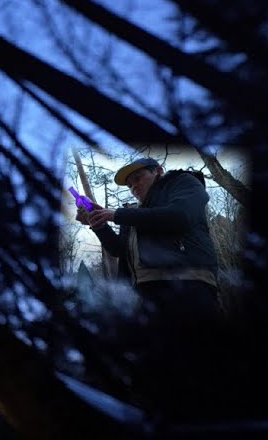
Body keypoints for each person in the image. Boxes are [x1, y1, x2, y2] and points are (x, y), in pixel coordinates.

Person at [77, 156, 221, 417]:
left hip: (187, 289)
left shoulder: (183, 184)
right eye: (129, 184)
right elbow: (119, 250)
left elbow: (179, 217)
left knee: (199, 369)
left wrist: (116, 214)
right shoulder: (136, 212)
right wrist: (99, 225)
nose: (134, 186)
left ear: (158, 171)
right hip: (148, 297)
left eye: (138, 178)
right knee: (159, 377)